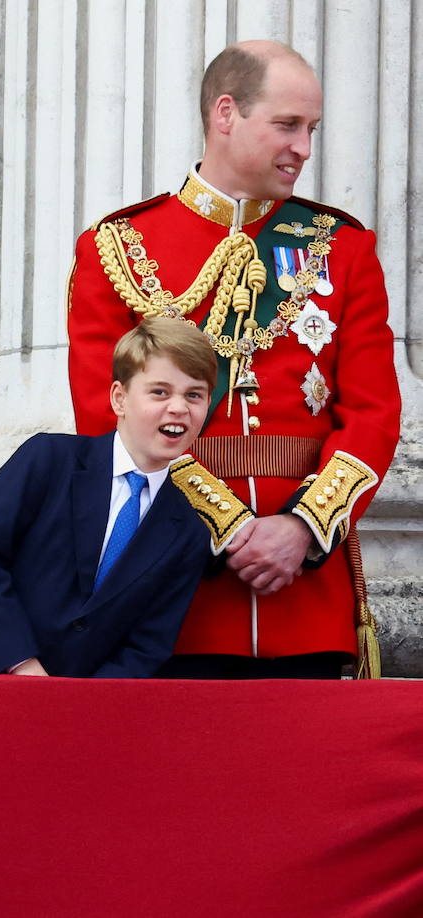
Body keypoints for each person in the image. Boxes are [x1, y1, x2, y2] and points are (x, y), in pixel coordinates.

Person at [66, 41, 401, 679]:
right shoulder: (119, 247)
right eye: (288, 125)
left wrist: (301, 528)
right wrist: (230, 531)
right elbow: (101, 417)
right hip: (174, 595)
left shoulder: (342, 248)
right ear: (226, 113)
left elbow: (374, 413)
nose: (304, 147)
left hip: (307, 595)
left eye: (312, 129)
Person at [0, 319, 218, 677]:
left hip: (69, 714)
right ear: (119, 398)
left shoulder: (188, 529)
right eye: (160, 392)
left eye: (194, 395)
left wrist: (76, 706)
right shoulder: (50, 459)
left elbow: (147, 645)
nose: (179, 407)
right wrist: (22, 663)